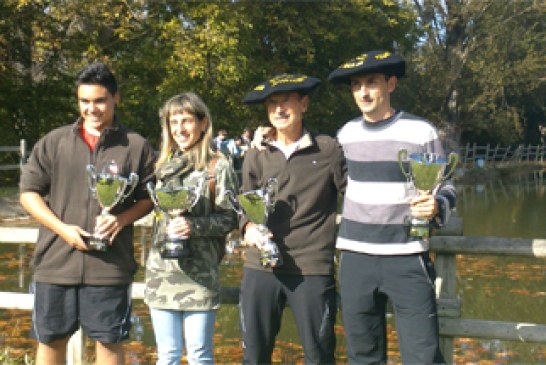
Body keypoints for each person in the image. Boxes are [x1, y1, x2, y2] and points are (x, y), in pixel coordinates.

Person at [19, 62, 156, 365]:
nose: (91, 108)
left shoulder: (135, 146)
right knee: (51, 342)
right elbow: (28, 194)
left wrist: (121, 219)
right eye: (84, 101)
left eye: (99, 100)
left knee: (109, 344)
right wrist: (62, 229)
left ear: (115, 98)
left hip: (110, 266)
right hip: (55, 263)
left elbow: (150, 198)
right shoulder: (53, 142)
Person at [328, 50, 457, 364]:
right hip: (355, 256)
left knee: (422, 355)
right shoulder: (345, 135)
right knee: (363, 356)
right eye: (357, 85)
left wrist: (436, 205)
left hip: (407, 256)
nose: (364, 91)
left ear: (391, 84)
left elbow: (448, 186)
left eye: (372, 82)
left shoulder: (420, 132)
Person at [239, 74, 347, 364]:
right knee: (254, 355)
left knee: (319, 354)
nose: (279, 109)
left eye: (286, 101)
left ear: (304, 104)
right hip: (260, 267)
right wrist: (247, 227)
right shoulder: (256, 154)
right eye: (272, 103)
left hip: (311, 268)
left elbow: (356, 196)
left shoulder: (328, 150)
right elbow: (243, 203)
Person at [144, 92, 238, 365]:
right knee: (168, 356)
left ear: (203, 123)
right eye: (174, 122)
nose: (180, 129)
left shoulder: (217, 166)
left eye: (186, 121)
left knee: (199, 356)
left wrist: (193, 226)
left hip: (200, 277)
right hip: (161, 274)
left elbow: (230, 218)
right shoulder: (161, 166)